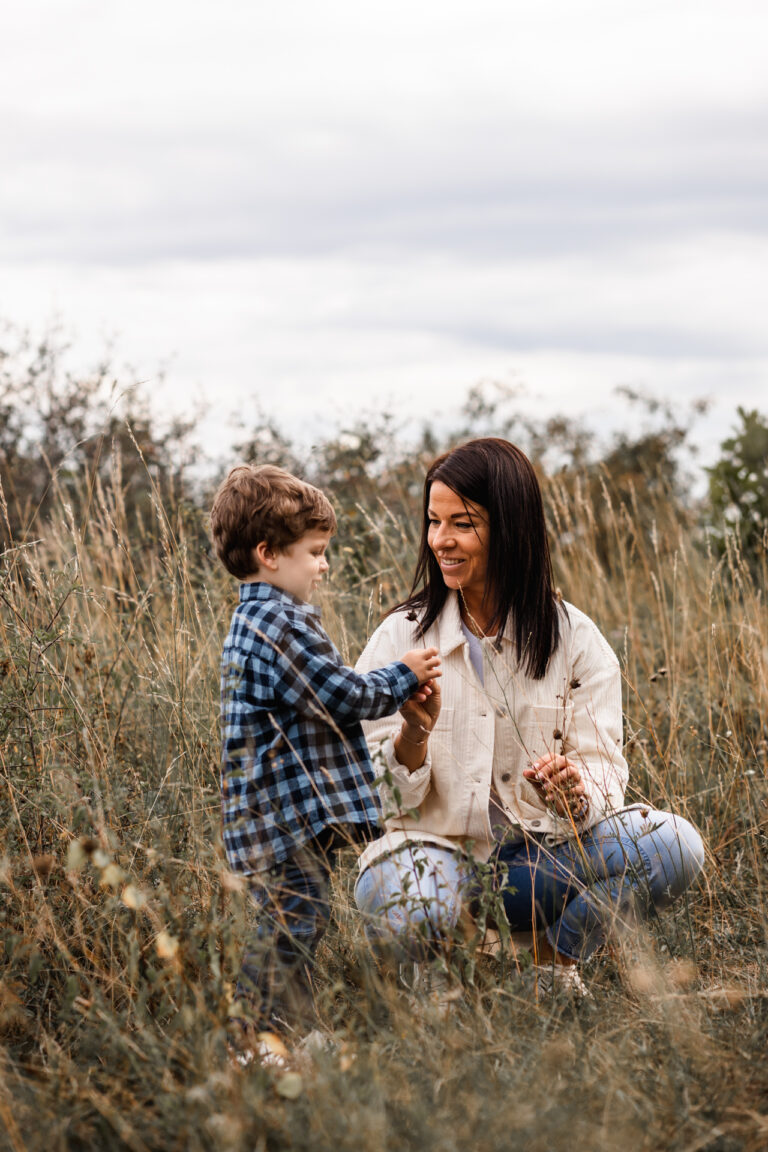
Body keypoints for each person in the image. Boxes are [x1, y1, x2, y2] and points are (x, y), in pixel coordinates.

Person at [353, 438, 705, 999]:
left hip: (545, 861)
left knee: (674, 845)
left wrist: (575, 791)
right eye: (434, 521)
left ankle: (554, 964)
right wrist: (412, 738)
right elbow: (366, 793)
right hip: (440, 863)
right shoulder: (400, 636)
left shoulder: (575, 639)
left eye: (462, 523)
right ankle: (444, 973)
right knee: (410, 899)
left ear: (510, 528)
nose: (441, 539)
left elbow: (605, 771)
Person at [210, 463, 441, 1055]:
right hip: (281, 815)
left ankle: (290, 1034)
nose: (324, 564)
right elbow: (338, 694)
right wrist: (401, 675)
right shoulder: (275, 623)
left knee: (299, 921)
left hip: (280, 811)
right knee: (290, 926)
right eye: (314, 551)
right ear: (268, 552)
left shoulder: (261, 618)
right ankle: (253, 1042)